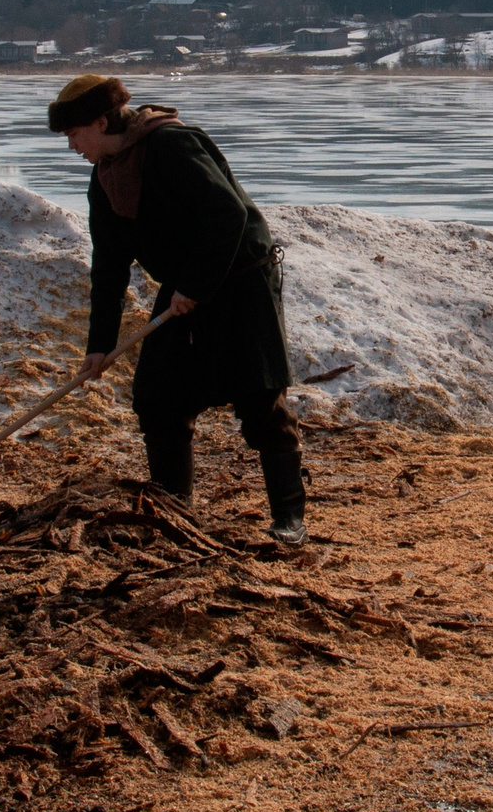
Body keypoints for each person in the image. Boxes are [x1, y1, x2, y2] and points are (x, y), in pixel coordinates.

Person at [48, 74, 308, 545]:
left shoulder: (172, 145)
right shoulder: (105, 175)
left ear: (100, 121)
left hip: (241, 276)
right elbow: (108, 266)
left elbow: (228, 214)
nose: (71, 147)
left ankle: (290, 519)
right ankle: (175, 514)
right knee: (158, 397)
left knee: (260, 401)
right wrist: (99, 345)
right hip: (187, 286)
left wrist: (194, 286)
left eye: (73, 135)